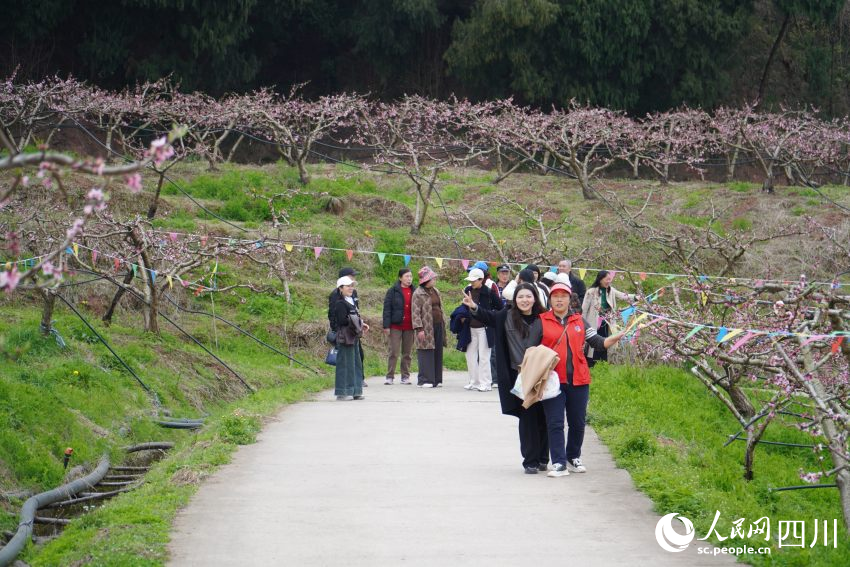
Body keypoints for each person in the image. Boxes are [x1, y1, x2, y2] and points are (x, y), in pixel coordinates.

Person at [531, 283, 625, 476]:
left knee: (578, 422)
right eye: (555, 296)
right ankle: (558, 463)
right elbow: (530, 348)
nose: (559, 299)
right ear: (550, 300)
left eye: (563, 296)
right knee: (555, 423)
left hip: (579, 380)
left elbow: (598, 342)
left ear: (569, 299)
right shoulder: (541, 321)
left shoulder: (580, 321)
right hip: (552, 381)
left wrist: (616, 337)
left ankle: (573, 457)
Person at [463, 282, 549, 474]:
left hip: (542, 375)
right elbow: (488, 316)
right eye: (520, 297)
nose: (524, 300)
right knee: (527, 418)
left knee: (543, 416)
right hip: (519, 376)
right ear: (514, 299)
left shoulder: (545, 318)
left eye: (528, 296)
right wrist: (474, 307)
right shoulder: (506, 316)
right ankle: (530, 461)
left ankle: (544, 457)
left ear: (535, 297)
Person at [581, 270, 635, 365]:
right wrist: (581, 323)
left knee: (606, 341)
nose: (609, 281)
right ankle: (592, 363)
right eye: (607, 279)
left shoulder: (611, 290)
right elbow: (584, 309)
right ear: (600, 279)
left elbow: (623, 296)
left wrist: (635, 297)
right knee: (594, 342)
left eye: (610, 279)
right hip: (593, 323)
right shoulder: (591, 292)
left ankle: (603, 363)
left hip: (606, 323)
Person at [462, 268, 502, 391]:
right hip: (470, 328)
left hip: (485, 329)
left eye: (474, 280)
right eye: (471, 280)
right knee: (470, 355)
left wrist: (490, 316)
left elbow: (500, 307)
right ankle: (474, 381)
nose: (472, 283)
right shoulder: (468, 290)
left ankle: (486, 383)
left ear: (481, 280)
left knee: (484, 356)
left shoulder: (489, 292)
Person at [332, 276, 370, 400]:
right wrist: (355, 321)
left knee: (356, 363)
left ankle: (356, 391)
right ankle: (342, 392)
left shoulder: (352, 300)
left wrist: (360, 323)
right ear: (340, 288)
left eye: (352, 286)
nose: (351, 288)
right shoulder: (339, 303)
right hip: (345, 336)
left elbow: (353, 318)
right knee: (345, 364)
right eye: (348, 286)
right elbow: (342, 321)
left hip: (353, 335)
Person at [412, 266, 447, 388]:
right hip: (425, 326)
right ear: (427, 280)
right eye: (432, 278)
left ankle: (436, 379)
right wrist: (419, 329)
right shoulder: (418, 293)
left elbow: (439, 307)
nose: (434, 279)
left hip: (437, 325)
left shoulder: (435, 291)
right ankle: (425, 379)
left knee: (437, 350)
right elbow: (415, 313)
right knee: (425, 352)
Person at [382, 268, 414, 385]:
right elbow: (387, 309)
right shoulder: (393, 291)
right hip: (395, 326)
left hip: (410, 326)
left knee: (407, 353)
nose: (409, 279)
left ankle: (405, 376)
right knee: (394, 352)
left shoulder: (415, 291)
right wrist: (386, 326)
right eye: (406, 276)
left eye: (410, 276)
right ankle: (390, 376)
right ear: (400, 278)